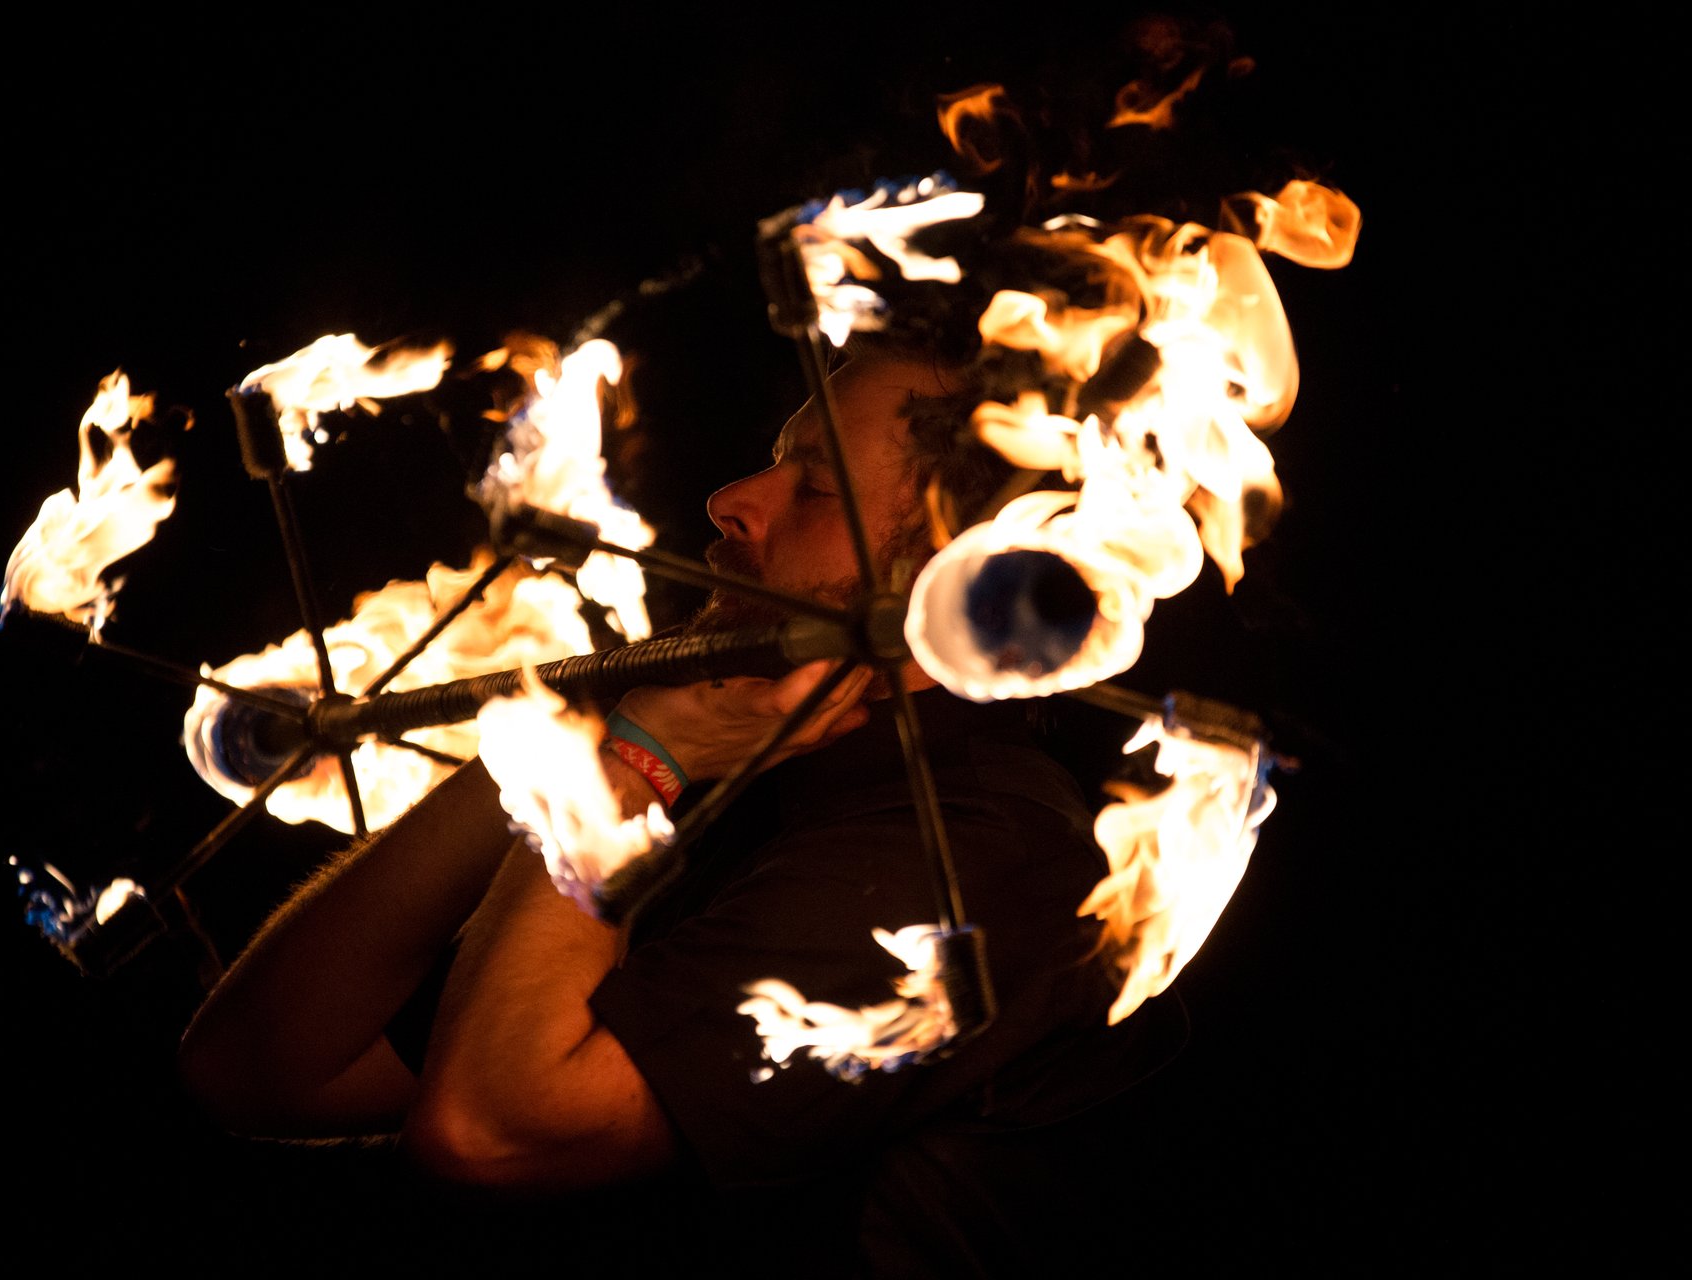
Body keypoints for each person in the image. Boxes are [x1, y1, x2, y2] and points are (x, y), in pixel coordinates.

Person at [177, 349, 1182, 1273]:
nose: (732, 501)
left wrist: (621, 768)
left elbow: (488, 1124)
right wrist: (560, 748)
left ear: (954, 579)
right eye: (769, 461)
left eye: (817, 483)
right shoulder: (721, 775)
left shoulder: (970, 847)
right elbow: (257, 1067)